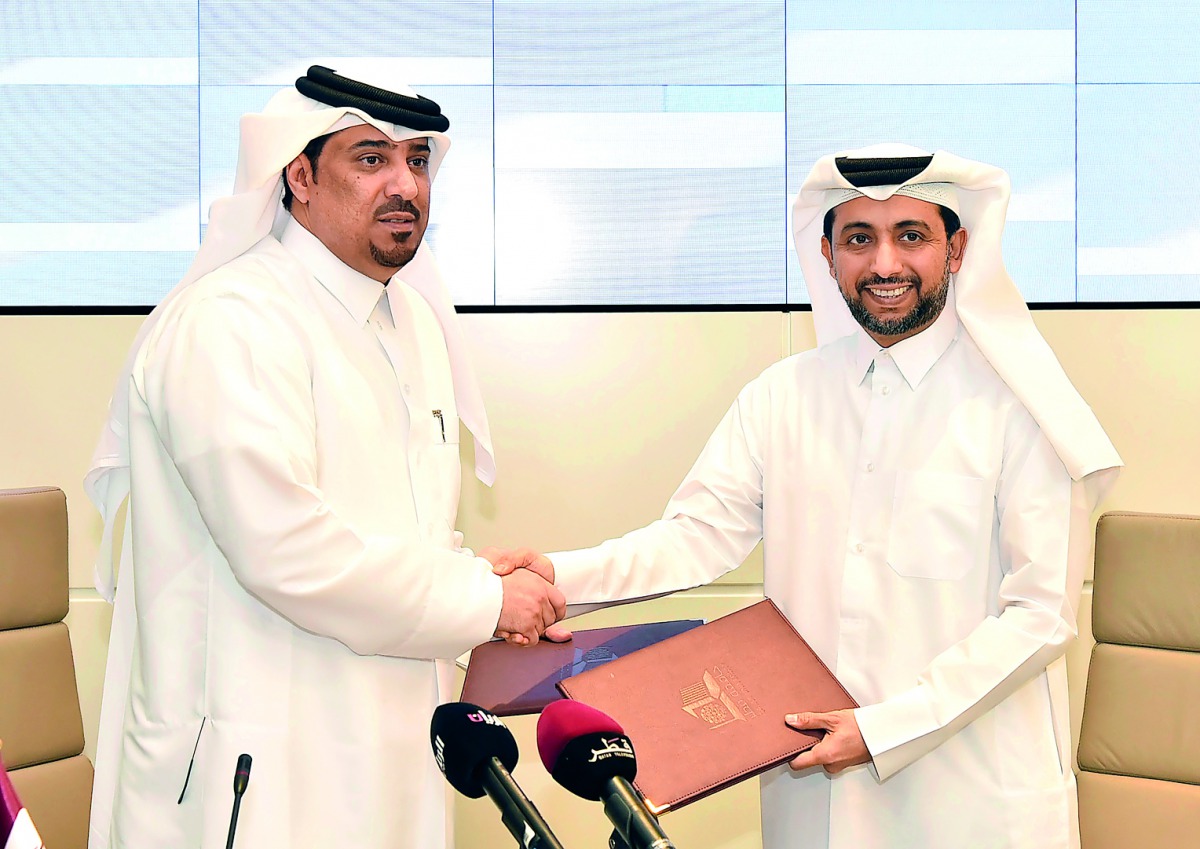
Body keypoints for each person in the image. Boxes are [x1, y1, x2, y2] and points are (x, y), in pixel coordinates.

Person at [494, 144, 1122, 849]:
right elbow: (695, 537)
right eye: (859, 239)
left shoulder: (1019, 408)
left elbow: (1040, 614)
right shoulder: (783, 396)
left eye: (910, 235)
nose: (884, 263)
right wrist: (557, 577)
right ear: (827, 255)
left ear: (956, 249)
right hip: (814, 792)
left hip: (970, 795)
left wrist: (886, 727)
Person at [83, 66, 565, 848]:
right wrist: (482, 600)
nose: (405, 183)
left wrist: (473, 576)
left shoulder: (411, 321)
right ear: (299, 176)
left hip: (393, 755)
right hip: (259, 774)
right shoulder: (230, 320)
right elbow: (285, 549)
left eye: (417, 159)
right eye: (371, 158)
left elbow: (391, 525)